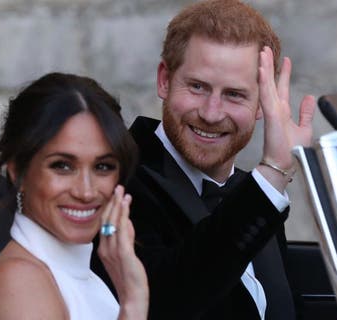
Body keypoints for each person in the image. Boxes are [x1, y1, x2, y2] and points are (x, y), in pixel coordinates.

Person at [91, 0, 316, 319]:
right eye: (197, 87)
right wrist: (273, 174)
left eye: (234, 94)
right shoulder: (115, 182)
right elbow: (166, 302)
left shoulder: (252, 193)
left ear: (260, 106)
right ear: (164, 81)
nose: (211, 113)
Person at [0, 73, 149, 320]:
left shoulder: (79, 274)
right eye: (62, 166)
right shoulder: (19, 284)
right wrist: (133, 303)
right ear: (18, 172)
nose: (86, 192)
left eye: (103, 167)